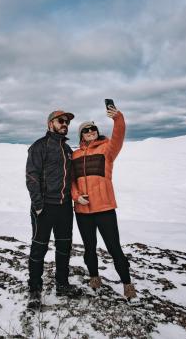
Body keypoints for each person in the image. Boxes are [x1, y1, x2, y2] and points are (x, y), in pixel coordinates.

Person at [71, 105, 137, 299]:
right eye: (86, 130)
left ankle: (127, 284)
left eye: (93, 129)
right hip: (83, 210)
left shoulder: (107, 149)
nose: (90, 131)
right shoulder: (74, 155)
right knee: (89, 248)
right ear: (81, 136)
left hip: (105, 208)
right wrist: (76, 197)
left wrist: (118, 118)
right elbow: (71, 181)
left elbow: (119, 135)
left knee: (114, 248)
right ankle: (94, 278)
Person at [25, 109, 83, 309]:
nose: (65, 123)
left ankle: (62, 284)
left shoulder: (67, 149)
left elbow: (72, 178)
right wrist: (38, 206)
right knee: (39, 248)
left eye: (67, 121)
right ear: (50, 124)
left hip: (65, 207)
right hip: (45, 208)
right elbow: (31, 177)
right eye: (61, 120)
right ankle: (34, 289)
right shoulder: (39, 146)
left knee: (64, 248)